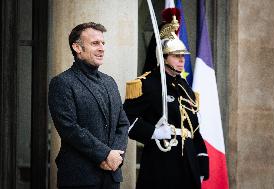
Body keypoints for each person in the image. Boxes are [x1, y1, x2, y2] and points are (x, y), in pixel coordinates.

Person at [123, 14, 209, 189]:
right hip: (161, 158)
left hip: (189, 161)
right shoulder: (147, 84)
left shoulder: (186, 88)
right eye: (176, 56)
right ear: (163, 58)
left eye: (183, 56)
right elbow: (124, 120)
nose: (181, 60)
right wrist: (153, 132)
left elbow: (195, 129)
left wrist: (201, 163)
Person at [48, 22, 129, 189]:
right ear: (77, 48)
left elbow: (122, 124)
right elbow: (69, 128)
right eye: (95, 43)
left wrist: (115, 156)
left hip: (111, 176)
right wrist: (104, 155)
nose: (101, 48)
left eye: (103, 43)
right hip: (79, 178)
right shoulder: (62, 83)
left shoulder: (109, 82)